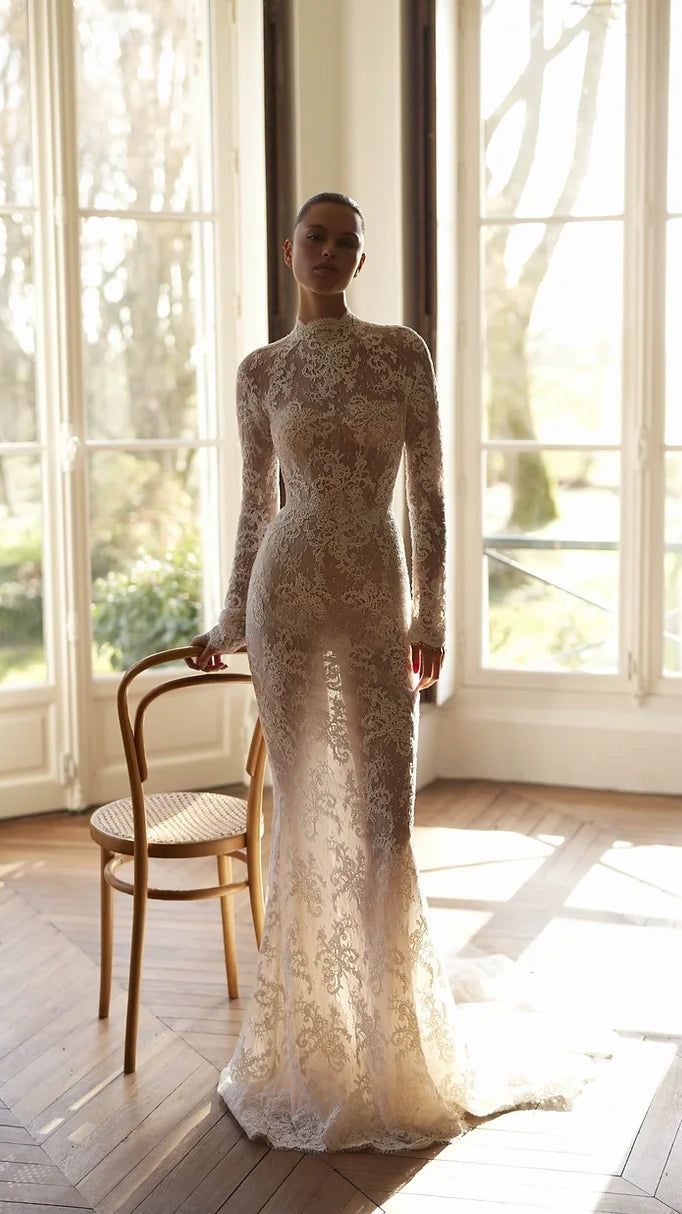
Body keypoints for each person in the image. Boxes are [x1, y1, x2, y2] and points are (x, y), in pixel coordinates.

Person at [186, 192, 615, 1153]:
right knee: (301, 812)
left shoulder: (399, 352)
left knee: (385, 818)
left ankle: (397, 1053)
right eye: (317, 236)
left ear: (360, 260)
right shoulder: (262, 372)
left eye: (349, 241)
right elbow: (258, 504)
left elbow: (427, 489)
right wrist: (226, 619)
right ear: (288, 246)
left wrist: (434, 613)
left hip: (378, 592)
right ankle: (313, 1051)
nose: (331, 251)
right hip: (285, 593)